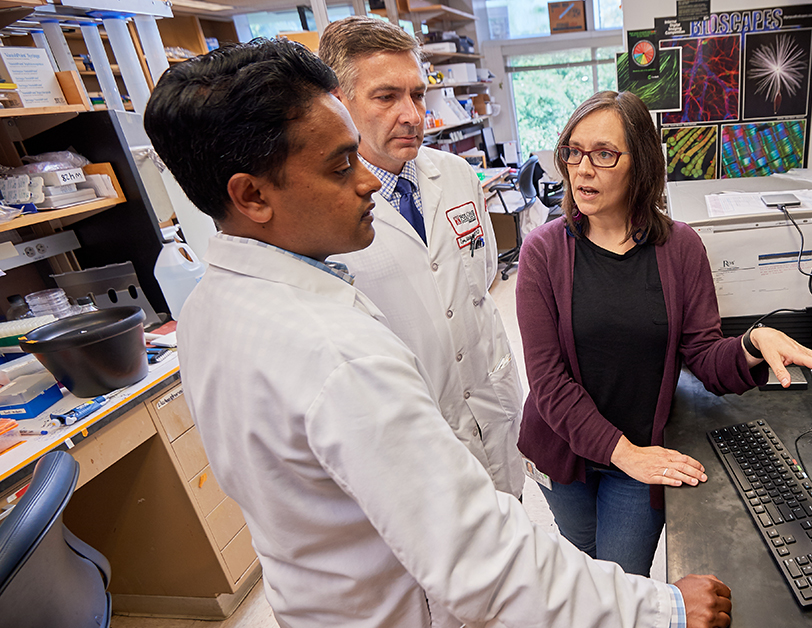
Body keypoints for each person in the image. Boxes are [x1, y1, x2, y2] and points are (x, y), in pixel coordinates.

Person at [146, 40, 731, 628]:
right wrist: (664, 608)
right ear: (251, 194)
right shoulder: (336, 352)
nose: (368, 182)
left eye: (418, 94)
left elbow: (473, 297)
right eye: (340, 164)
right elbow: (480, 562)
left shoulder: (208, 309)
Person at [516, 91, 812, 577]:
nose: (581, 169)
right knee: (579, 563)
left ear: (642, 164)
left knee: (623, 586)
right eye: (572, 152)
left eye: (604, 154)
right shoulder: (543, 251)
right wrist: (623, 453)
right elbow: (548, 383)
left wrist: (753, 343)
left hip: (642, 457)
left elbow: (702, 353)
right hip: (563, 450)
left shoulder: (680, 247)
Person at [318, 16, 524, 499]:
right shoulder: (323, 214)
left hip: (493, 407)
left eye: (417, 94)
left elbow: (484, 276)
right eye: (387, 97)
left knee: (512, 526)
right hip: (413, 439)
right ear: (337, 101)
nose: (413, 114)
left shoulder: (455, 176)